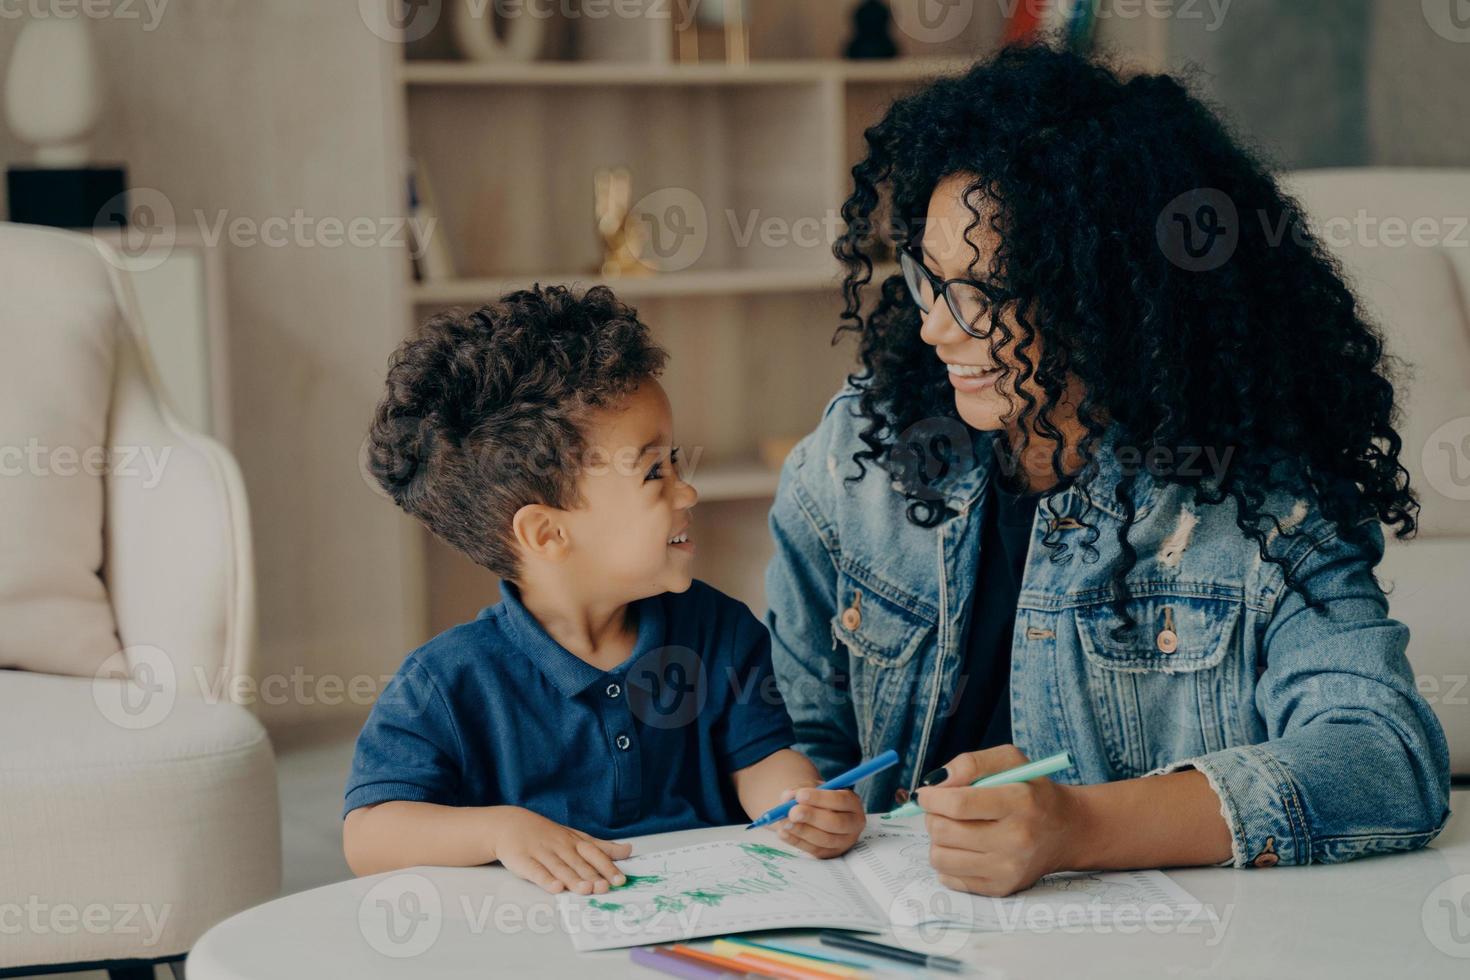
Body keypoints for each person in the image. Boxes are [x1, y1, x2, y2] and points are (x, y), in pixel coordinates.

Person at [764, 45, 1451, 896]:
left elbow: (1385, 757)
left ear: (1107, 299)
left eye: (982, 294)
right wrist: (811, 816)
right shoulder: (857, 462)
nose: (938, 329)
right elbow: (792, 733)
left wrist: (1080, 828)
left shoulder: (1254, 505)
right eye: (930, 281)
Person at [345, 285, 864, 895]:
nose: (686, 491)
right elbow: (369, 835)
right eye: (653, 472)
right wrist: (502, 831)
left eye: (676, 462)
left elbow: (759, 761)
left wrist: (801, 805)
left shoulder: (719, 631)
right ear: (546, 533)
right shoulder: (448, 681)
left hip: (704, 916)